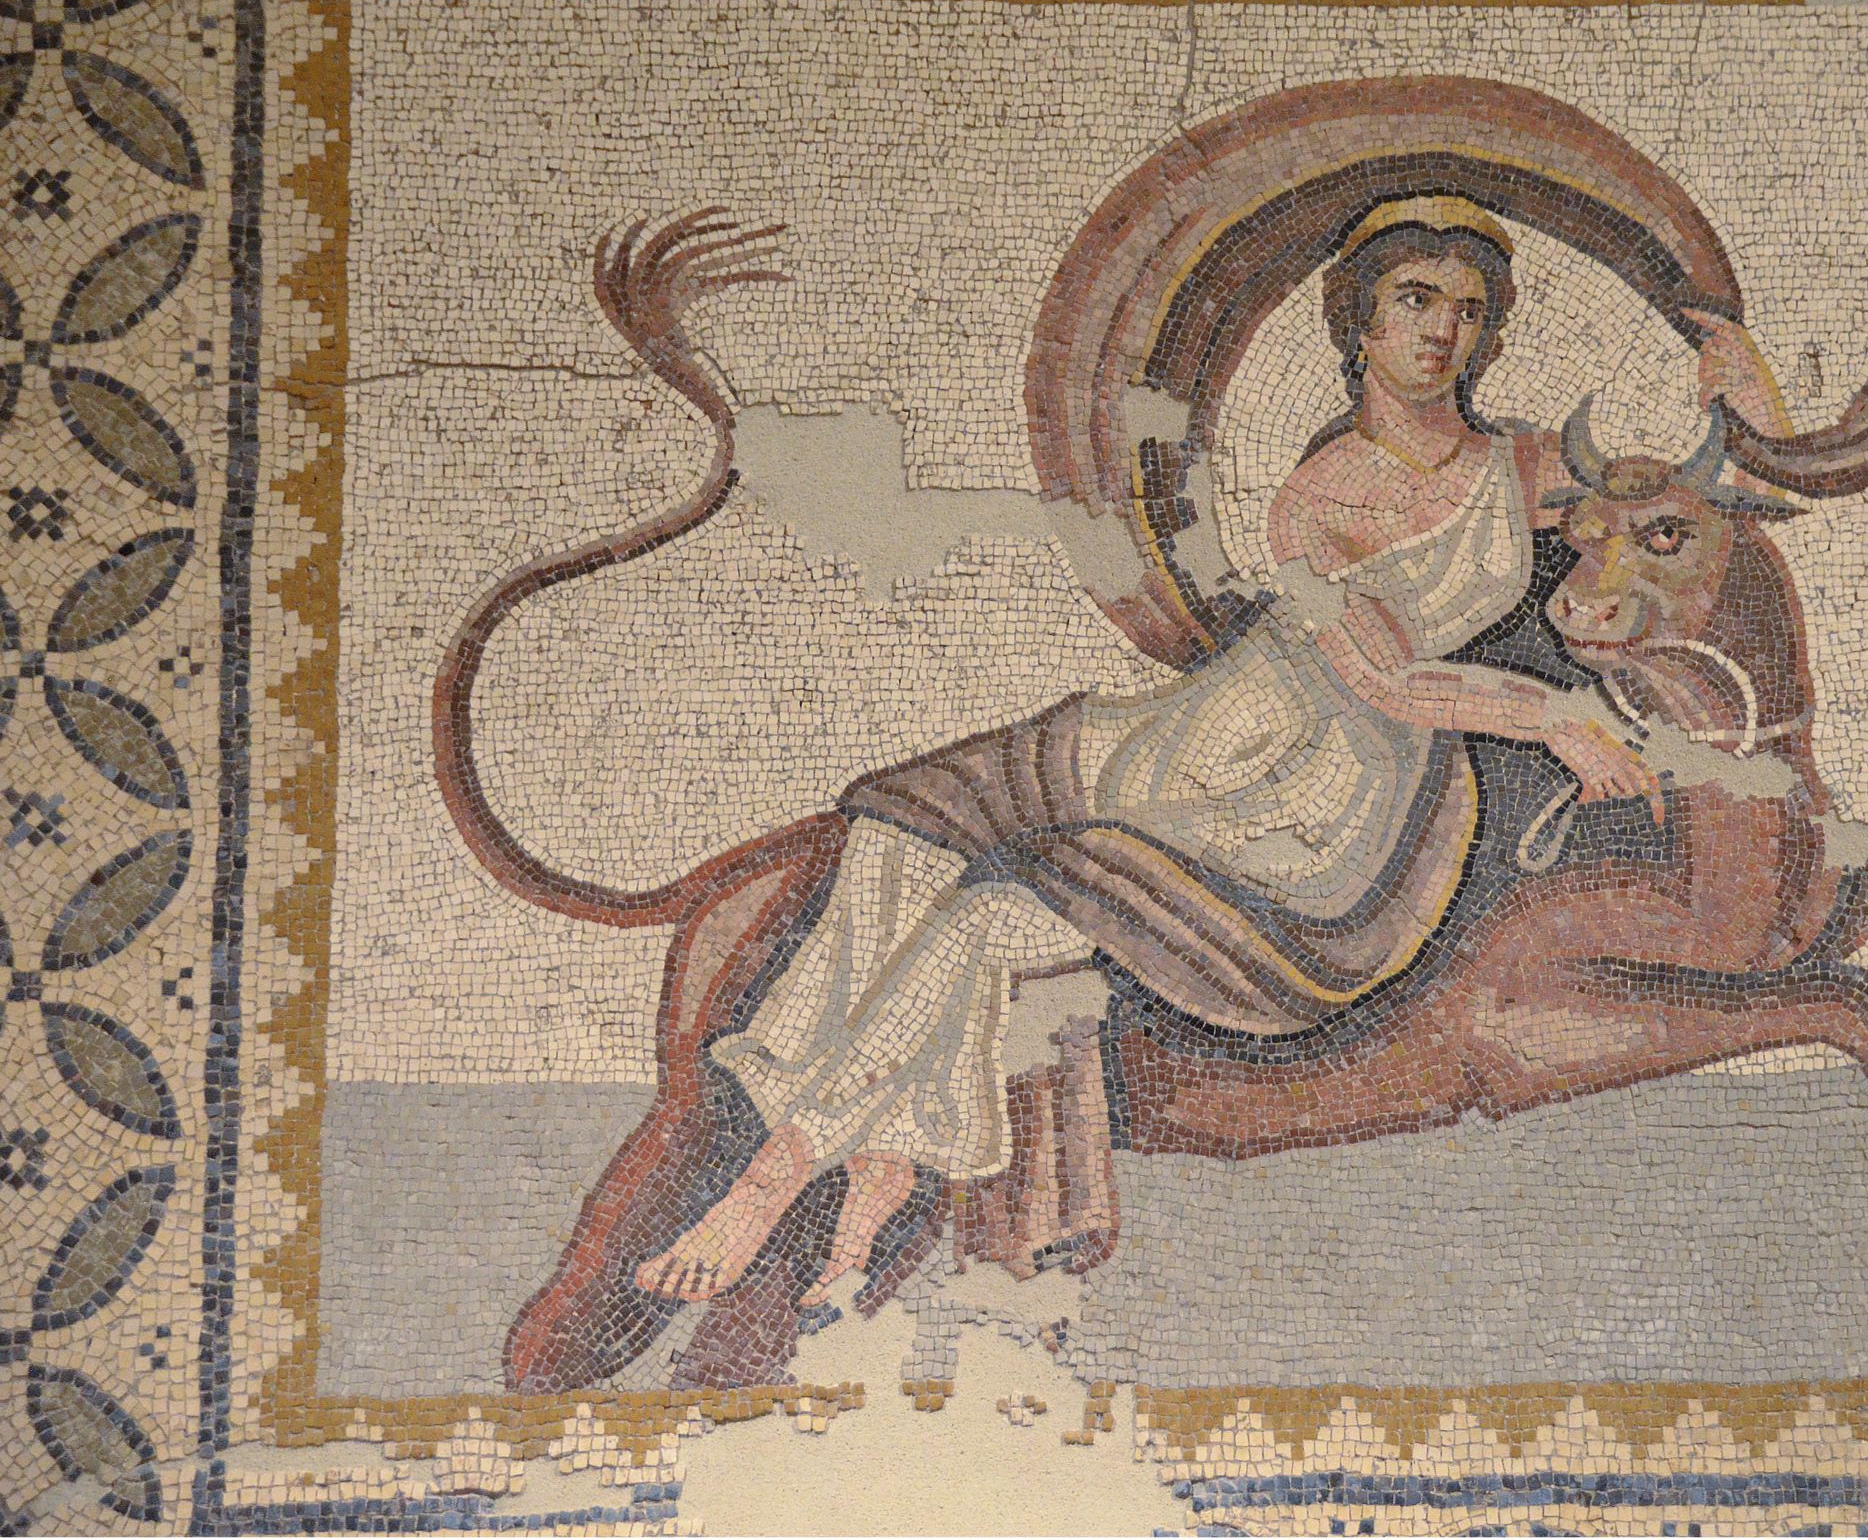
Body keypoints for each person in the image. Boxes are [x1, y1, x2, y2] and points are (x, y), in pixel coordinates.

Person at [631, 193, 1791, 1306]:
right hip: (1212, 739)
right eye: (1415, 299)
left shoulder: (1524, 466)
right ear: (1359, 323)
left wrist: (1749, 387)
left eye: (1468, 309)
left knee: (991, 918)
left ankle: (766, 1185)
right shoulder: (1314, 500)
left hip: (1314, 808)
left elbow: (1719, 497)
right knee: (898, 828)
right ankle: (877, 1180)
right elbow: (1378, 670)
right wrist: (1554, 719)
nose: (1443, 328)